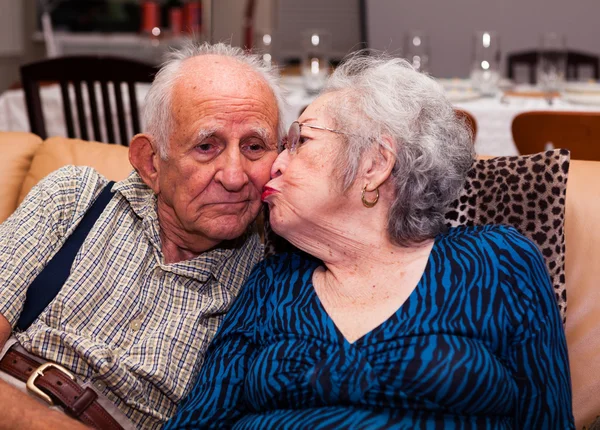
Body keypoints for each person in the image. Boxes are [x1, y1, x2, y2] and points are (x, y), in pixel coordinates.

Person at [166, 53, 574, 429]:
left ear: (375, 163)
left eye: (301, 141)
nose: (275, 162)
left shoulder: (497, 262)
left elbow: (547, 420)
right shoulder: (270, 283)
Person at [0, 42, 283, 429]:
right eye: (206, 146)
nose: (235, 177)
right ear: (151, 162)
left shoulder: (273, 279)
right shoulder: (75, 198)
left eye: (254, 147)